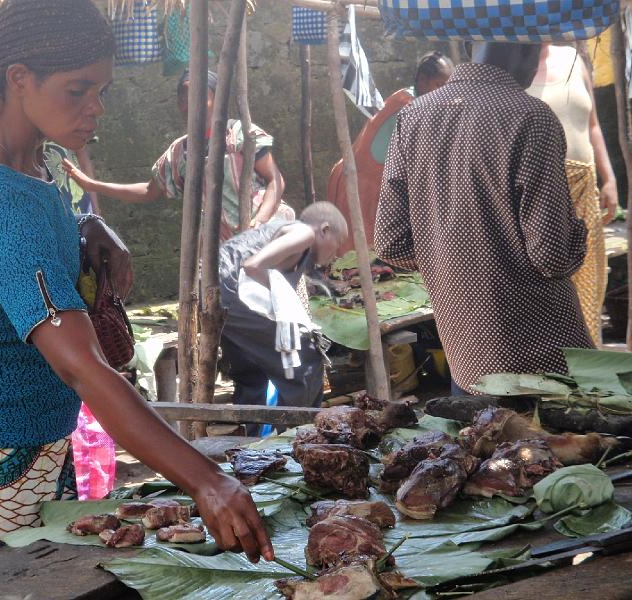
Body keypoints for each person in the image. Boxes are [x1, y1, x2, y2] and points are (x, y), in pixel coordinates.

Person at [0, 0, 272, 566]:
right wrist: (206, 480)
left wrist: (87, 223)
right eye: (77, 90)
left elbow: (33, 223)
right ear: (19, 79)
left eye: (101, 91)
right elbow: (79, 364)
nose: (95, 109)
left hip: (22, 429)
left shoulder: (1, 139)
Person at [374, 42, 594, 396]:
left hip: (468, 364)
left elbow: (390, 242)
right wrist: (578, 229)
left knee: (485, 448)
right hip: (545, 362)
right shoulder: (531, 117)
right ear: (525, 50)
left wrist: (452, 257)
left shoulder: (413, 118)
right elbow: (552, 257)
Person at [63, 69, 292, 241]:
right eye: (183, 98)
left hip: (268, 234)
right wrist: (92, 185)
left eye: (198, 95)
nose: (189, 103)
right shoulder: (180, 153)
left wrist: (259, 220)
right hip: (224, 246)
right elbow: (148, 191)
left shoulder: (241, 134)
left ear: (216, 97)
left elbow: (276, 180)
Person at [219, 202, 348, 424]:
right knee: (306, 358)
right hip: (231, 288)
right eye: (337, 245)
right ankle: (299, 432)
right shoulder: (303, 232)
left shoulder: (287, 237)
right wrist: (284, 299)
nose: (336, 253)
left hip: (216, 288)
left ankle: (255, 441)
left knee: (252, 371)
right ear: (324, 230)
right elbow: (253, 265)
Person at [527, 44, 617, 345]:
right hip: (544, 194)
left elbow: (592, 126)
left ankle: (589, 358)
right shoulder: (512, 69)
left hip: (586, 188)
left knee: (589, 281)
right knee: (554, 285)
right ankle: (562, 367)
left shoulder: (573, 57)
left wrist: (609, 178)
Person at [328, 51, 453, 252]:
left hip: (364, 178)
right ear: (422, 81)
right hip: (363, 185)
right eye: (439, 85)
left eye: (448, 87)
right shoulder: (411, 107)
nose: (445, 92)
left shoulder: (413, 98)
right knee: (365, 263)